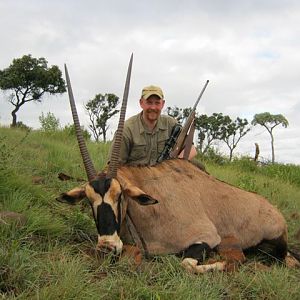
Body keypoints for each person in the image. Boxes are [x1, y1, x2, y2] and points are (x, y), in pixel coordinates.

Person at [110, 85, 196, 166]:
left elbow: (192, 150)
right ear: (141, 103)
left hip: (167, 175)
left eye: (157, 103)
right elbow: (114, 166)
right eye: (149, 102)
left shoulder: (171, 123)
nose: (153, 107)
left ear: (163, 104)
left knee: (198, 166)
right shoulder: (127, 129)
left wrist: (174, 166)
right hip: (137, 179)